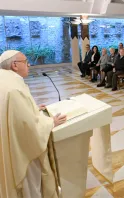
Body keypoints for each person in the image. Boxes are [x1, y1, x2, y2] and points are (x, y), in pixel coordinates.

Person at [0, 50, 67, 198]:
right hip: (23, 153)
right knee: (31, 188)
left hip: (8, 142)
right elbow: (28, 127)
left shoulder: (5, 80)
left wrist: (34, 109)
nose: (29, 65)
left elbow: (13, 114)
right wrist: (51, 122)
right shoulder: (14, 88)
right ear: (15, 65)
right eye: (25, 62)